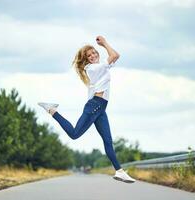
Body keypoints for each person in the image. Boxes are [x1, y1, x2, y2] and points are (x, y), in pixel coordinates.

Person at [38, 36, 136, 183]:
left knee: (108, 141)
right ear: (87, 60)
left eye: (94, 53)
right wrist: (104, 43)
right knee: (74, 134)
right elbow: (114, 55)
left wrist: (103, 48)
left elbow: (116, 56)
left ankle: (119, 171)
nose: (93, 56)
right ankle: (52, 110)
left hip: (100, 108)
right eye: (89, 56)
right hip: (95, 106)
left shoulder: (102, 66)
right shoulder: (93, 68)